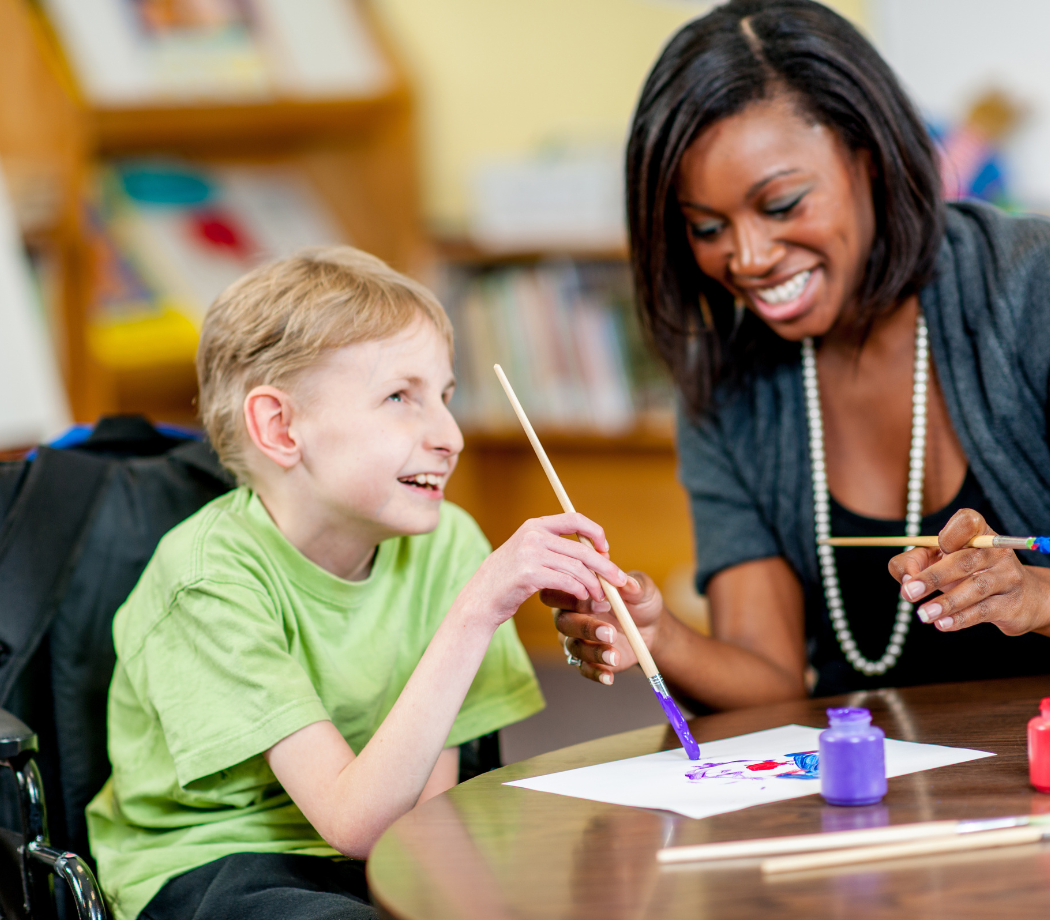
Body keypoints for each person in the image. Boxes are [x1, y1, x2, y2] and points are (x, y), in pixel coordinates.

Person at [86, 247, 631, 920]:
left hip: (374, 851)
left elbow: (417, 829)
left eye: (446, 396)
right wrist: (477, 610)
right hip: (216, 864)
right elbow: (357, 825)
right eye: (401, 396)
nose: (451, 436)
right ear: (280, 428)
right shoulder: (206, 579)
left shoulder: (449, 544)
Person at [553, 0, 1050, 706]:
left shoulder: (1033, 288)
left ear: (869, 158)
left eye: (782, 204)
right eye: (706, 226)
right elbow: (769, 678)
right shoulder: (729, 385)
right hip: (870, 796)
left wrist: (1034, 595)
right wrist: (653, 634)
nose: (748, 258)